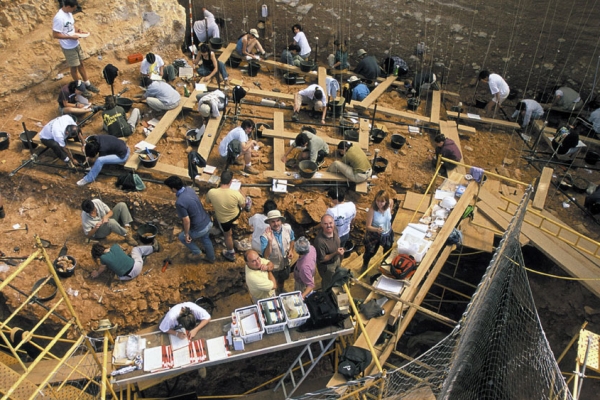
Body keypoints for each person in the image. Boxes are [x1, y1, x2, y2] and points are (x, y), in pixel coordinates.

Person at [164, 176, 215, 263]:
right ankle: (211, 258)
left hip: (199, 228)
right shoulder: (189, 189)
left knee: (182, 237)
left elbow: (186, 220)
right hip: (208, 222)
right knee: (205, 239)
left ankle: (197, 252)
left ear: (173, 189)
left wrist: (187, 234)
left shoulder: (180, 202)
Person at [52, 0, 99, 93]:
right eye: (73, 8)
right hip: (68, 47)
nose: (74, 10)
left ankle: (87, 84)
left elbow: (70, 25)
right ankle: (80, 87)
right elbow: (55, 34)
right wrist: (70, 37)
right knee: (74, 67)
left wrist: (78, 30)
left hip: (76, 43)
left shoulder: (68, 14)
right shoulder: (59, 18)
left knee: (81, 64)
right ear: (68, 6)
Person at [206, 170, 246, 262]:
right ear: (231, 181)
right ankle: (231, 253)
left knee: (227, 235)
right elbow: (243, 206)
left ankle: (231, 253)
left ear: (220, 180)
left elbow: (208, 202)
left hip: (223, 220)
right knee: (245, 200)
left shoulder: (212, 192)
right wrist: (241, 192)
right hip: (235, 215)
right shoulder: (236, 193)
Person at [260, 210, 295, 294]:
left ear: (281, 220)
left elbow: (292, 239)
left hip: (285, 264)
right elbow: (265, 256)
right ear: (269, 222)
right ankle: (275, 293)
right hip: (273, 267)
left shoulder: (288, 228)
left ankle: (280, 289)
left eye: (278, 220)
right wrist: (270, 242)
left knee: (282, 279)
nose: (276, 224)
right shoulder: (264, 237)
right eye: (273, 221)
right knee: (272, 283)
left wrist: (291, 250)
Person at [90, 240, 160, 280]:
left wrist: (97, 273)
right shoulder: (115, 246)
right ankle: (153, 248)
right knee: (136, 249)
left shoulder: (103, 258)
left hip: (127, 277)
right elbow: (122, 249)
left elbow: (102, 268)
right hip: (137, 266)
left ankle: (143, 257)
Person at [362, 190, 394, 271]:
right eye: (377, 201)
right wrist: (376, 229)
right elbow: (368, 226)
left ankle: (384, 263)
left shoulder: (390, 203)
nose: (379, 204)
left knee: (387, 250)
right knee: (370, 252)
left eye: (382, 202)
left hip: (387, 233)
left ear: (386, 201)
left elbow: (391, 205)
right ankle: (365, 264)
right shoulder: (372, 210)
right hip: (375, 234)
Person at [314, 214, 344, 290]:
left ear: (334, 223)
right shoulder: (320, 241)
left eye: (330, 223)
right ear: (321, 225)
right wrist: (335, 253)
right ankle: (326, 294)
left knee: (336, 276)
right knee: (327, 282)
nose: (329, 226)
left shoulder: (335, 230)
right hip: (327, 267)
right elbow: (322, 259)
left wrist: (339, 256)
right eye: (325, 224)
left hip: (337, 260)